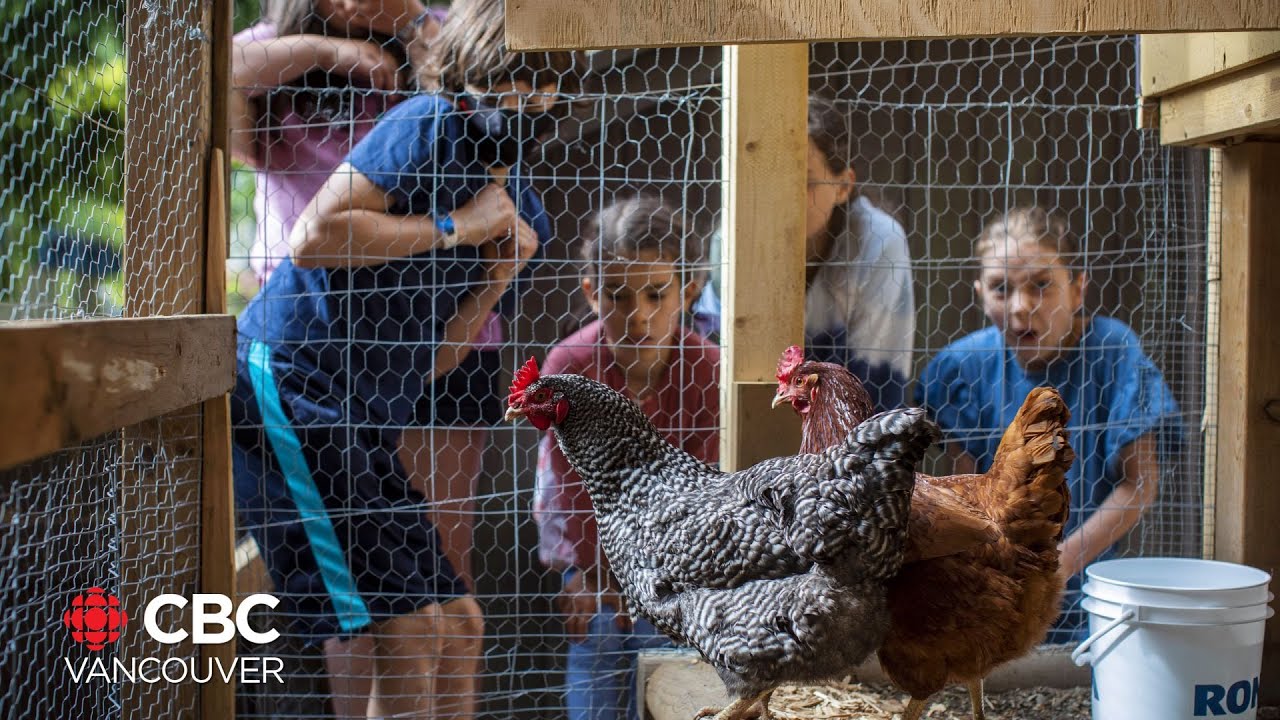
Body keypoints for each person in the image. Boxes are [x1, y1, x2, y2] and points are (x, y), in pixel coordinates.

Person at [231, 0, 581, 715]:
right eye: (519, 79)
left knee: (459, 624)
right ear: (477, 74)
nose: (531, 100)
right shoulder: (429, 125)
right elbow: (314, 236)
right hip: (290, 384)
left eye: (547, 84)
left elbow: (436, 362)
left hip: (363, 414)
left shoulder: (525, 209)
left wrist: (496, 278)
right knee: (404, 628)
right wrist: (456, 226)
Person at [915, 205, 1181, 643]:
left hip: (1093, 605)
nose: (1021, 308)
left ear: (1078, 290)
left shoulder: (1113, 351)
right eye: (1002, 289)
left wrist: (1057, 564)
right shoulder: (962, 366)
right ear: (980, 294)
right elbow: (964, 494)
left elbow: (1139, 485)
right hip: (994, 601)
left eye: (1041, 286)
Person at [533, 195, 720, 720]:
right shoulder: (571, 363)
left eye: (656, 294)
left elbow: (702, 490)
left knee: (674, 675)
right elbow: (572, 487)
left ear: (688, 290)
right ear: (592, 293)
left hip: (682, 567)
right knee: (596, 634)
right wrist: (593, 576)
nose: (638, 314)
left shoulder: (707, 370)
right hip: (590, 557)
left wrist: (655, 582)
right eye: (617, 295)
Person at [691, 94, 915, 412]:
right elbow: (714, 364)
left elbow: (877, 382)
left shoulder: (879, 242)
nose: (785, 197)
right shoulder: (732, 239)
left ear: (843, 186)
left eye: (804, 181)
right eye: (773, 179)